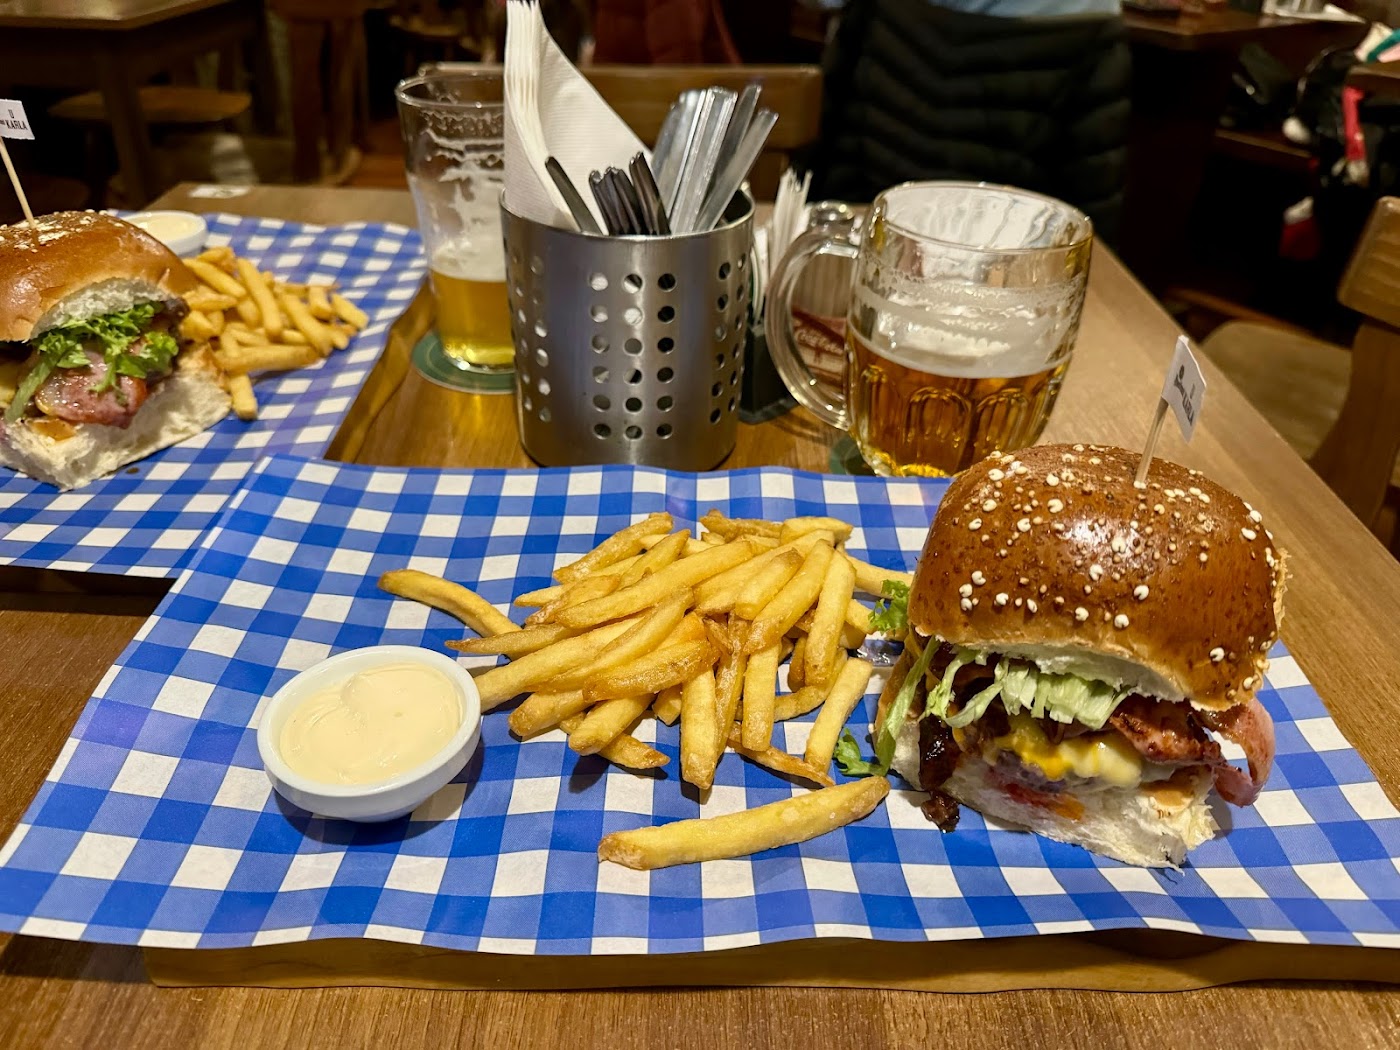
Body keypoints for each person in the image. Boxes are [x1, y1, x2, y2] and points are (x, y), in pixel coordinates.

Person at [812, 0, 1129, 242]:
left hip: (866, 237)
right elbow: (1091, 217)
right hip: (1009, 265)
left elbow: (831, 132)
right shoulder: (1092, 17)